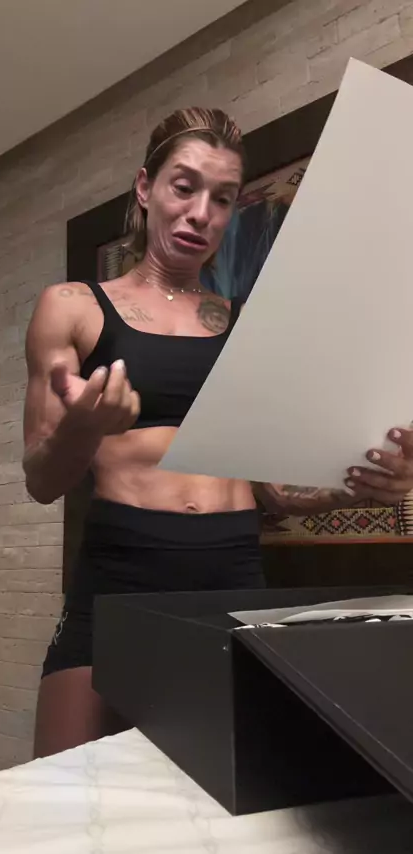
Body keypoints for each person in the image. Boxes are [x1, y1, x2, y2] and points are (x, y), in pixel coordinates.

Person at [23, 107, 413, 758]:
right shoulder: (72, 307)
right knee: (61, 794)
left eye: (223, 198)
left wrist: (356, 488)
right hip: (121, 576)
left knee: (232, 789)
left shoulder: (245, 323)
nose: (201, 213)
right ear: (145, 188)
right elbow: (41, 479)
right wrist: (82, 430)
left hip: (231, 574)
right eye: (184, 187)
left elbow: (273, 491)